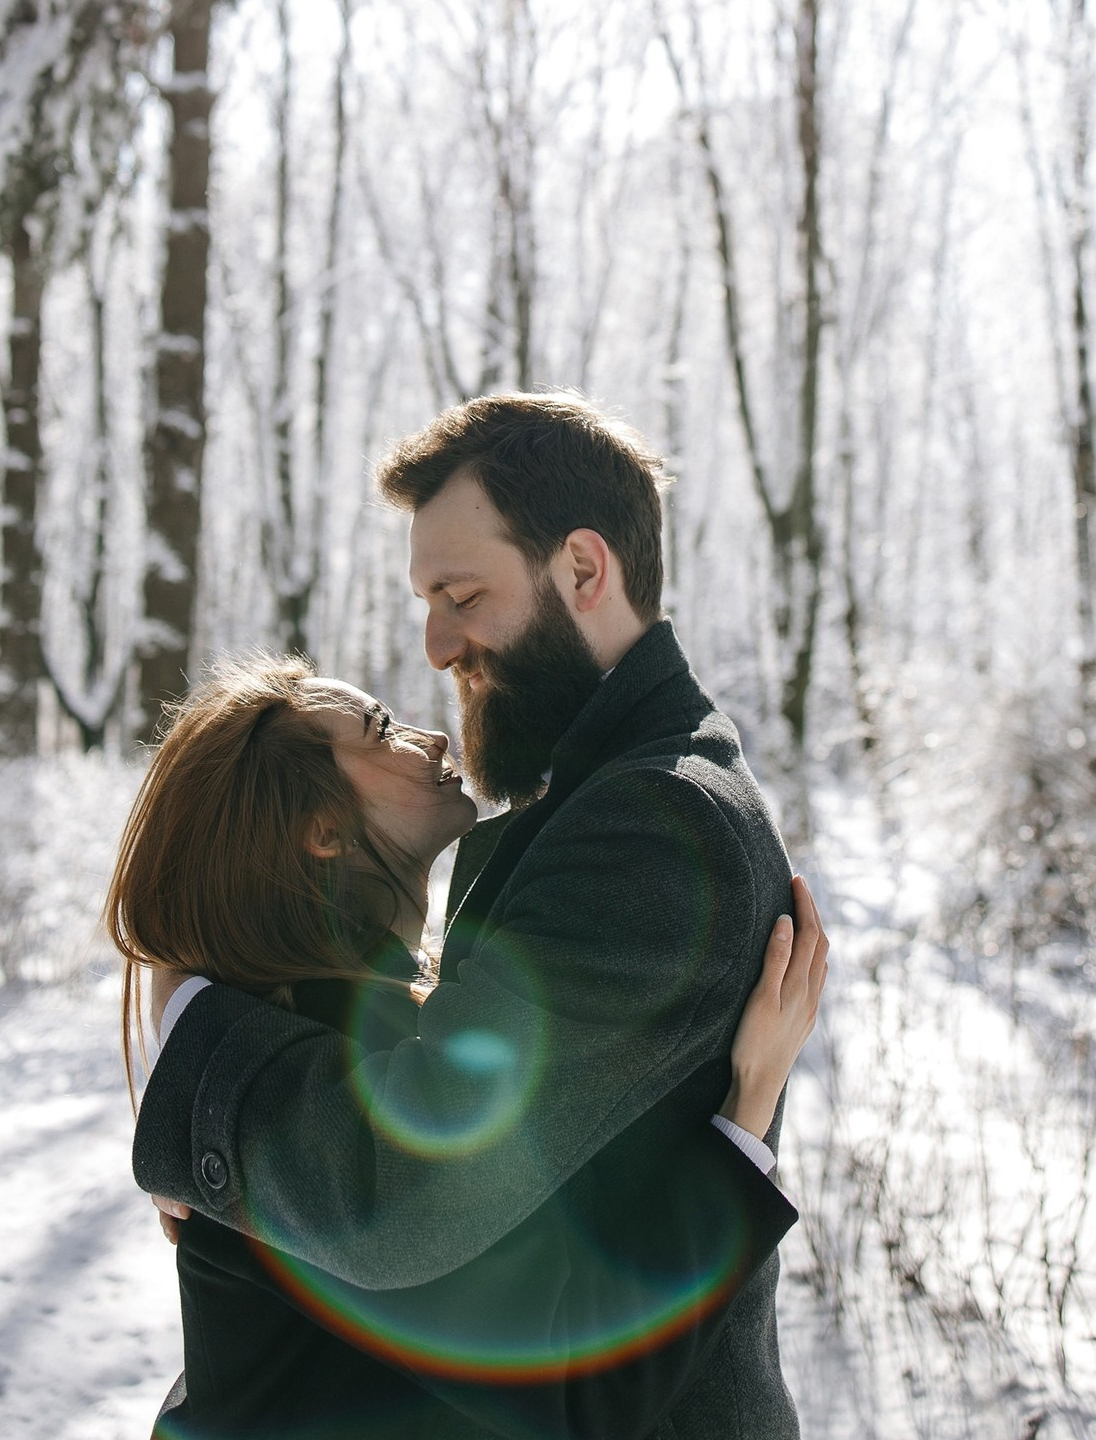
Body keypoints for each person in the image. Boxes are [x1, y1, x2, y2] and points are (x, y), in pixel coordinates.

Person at [137, 392, 818, 1439]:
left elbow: (411, 1193)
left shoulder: (651, 820)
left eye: (460, 593)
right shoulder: (605, 793)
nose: (435, 646)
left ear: (583, 571)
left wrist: (202, 1078)